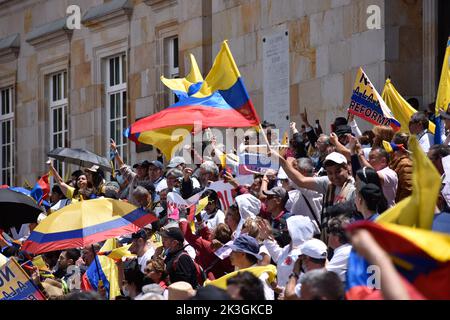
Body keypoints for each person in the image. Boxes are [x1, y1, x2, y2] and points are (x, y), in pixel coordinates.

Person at [257, 215, 315, 291]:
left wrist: (282, 291)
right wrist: (266, 237)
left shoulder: (304, 253)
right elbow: (278, 256)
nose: (284, 229)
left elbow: (304, 286)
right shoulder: (288, 248)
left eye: (288, 227)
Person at [227, 234, 275, 300]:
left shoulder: (259, 278)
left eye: (233, 251)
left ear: (243, 254)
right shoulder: (240, 272)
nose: (230, 254)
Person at [111, 139, 152, 205]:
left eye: (142, 168)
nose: (139, 170)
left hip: (144, 212)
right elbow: (122, 166)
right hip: (132, 211)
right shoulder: (133, 177)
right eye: (137, 168)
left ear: (147, 170)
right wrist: (115, 151)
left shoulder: (150, 181)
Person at [326, 215, 352, 283]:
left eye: (330, 232)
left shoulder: (343, 252)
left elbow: (324, 276)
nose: (328, 235)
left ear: (336, 237)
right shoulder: (348, 249)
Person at [389, 133, 413, 202]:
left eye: (391, 143)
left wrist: (399, 209)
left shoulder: (406, 164)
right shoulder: (395, 162)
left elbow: (408, 190)